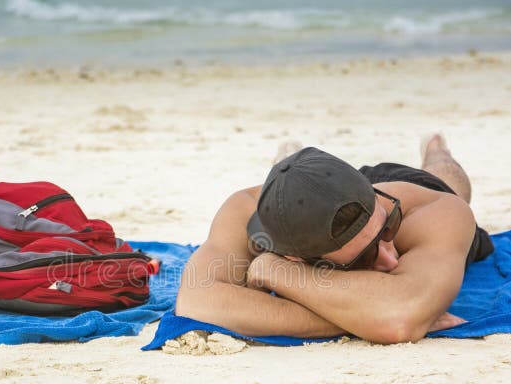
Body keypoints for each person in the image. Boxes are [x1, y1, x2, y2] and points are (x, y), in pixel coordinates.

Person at [174, 134, 494, 344]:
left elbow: (398, 318)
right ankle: (290, 161)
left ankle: (436, 147)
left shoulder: (432, 210)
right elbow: (196, 300)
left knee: (448, 182)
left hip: (379, 190)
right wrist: (362, 318)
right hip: (312, 208)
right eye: (364, 257)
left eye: (387, 230)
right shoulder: (246, 210)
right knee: (292, 189)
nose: (390, 258)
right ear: (298, 259)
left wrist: (274, 272)